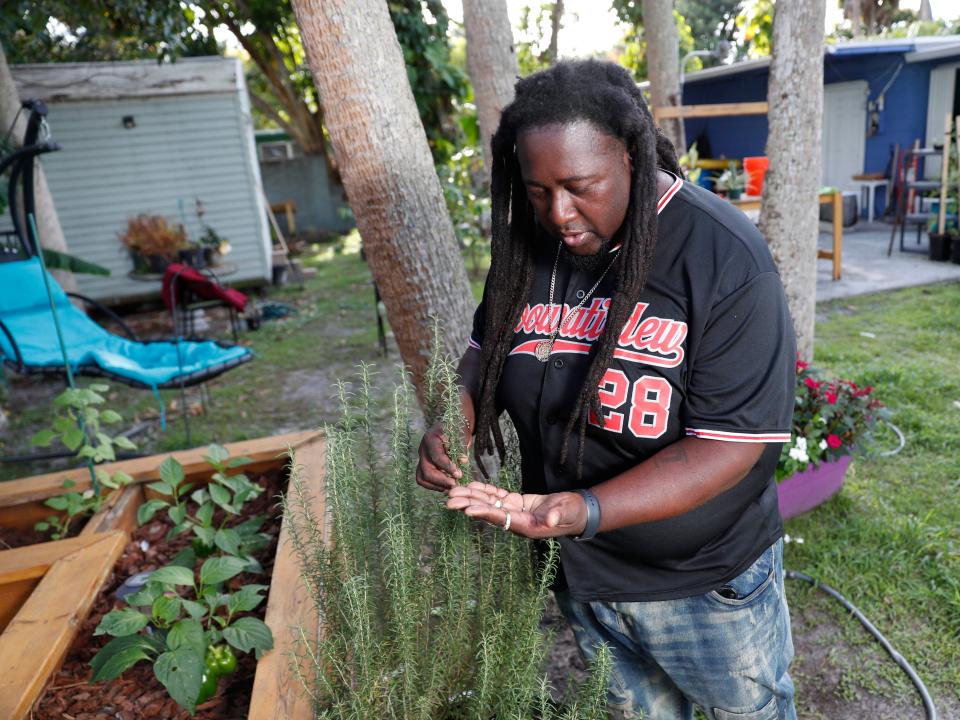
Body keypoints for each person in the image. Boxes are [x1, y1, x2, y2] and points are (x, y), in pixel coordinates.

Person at [416, 59, 797, 720]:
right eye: (537, 191)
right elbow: (486, 351)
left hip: (703, 585)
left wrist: (579, 509)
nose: (558, 213)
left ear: (633, 155)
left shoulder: (724, 258)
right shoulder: (531, 246)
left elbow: (730, 448)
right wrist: (460, 418)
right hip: (586, 578)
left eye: (578, 186)